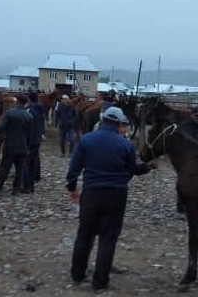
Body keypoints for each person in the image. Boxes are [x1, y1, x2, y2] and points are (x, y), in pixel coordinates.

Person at [66, 107, 156, 292]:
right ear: (119, 123)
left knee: (84, 234)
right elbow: (131, 170)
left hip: (91, 193)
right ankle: (100, 282)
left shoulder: (86, 139)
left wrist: (72, 187)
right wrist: (146, 168)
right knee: (108, 238)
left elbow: (74, 167)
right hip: (116, 194)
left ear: (103, 119)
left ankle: (77, 274)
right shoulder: (125, 144)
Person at [0, 95, 33, 195]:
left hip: (10, 145)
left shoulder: (10, 113)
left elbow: (0, 127)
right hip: (23, 147)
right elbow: (30, 135)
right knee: (19, 169)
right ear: (25, 103)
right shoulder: (29, 116)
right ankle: (16, 189)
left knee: (5, 168)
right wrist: (28, 147)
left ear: (17, 102)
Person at [25, 92, 45, 190]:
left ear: (29, 99)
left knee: (28, 161)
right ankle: (36, 176)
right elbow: (42, 123)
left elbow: (27, 125)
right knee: (35, 158)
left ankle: (27, 184)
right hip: (37, 137)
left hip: (31, 138)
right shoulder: (40, 110)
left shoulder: (30, 110)